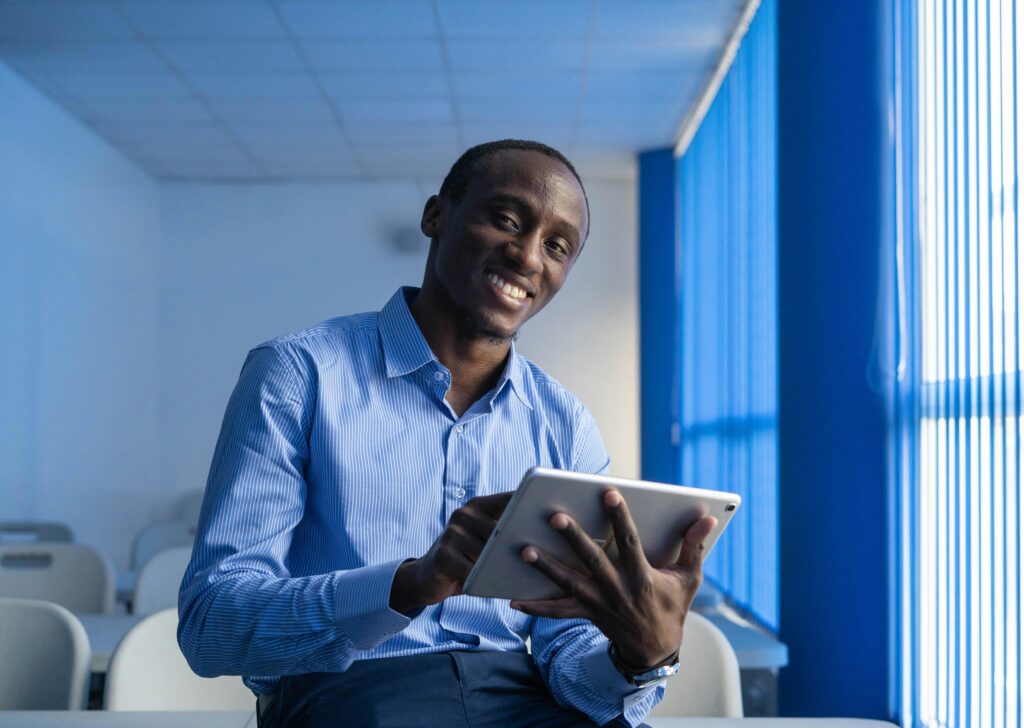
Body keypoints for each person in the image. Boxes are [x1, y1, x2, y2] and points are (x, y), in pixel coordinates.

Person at [177, 140, 717, 728]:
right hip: (348, 696)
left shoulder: (565, 423)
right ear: (436, 215)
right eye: (507, 220)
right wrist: (407, 584)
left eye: (557, 246)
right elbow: (211, 625)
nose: (529, 257)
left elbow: (569, 660)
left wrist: (639, 657)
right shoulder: (298, 374)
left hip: (522, 700)